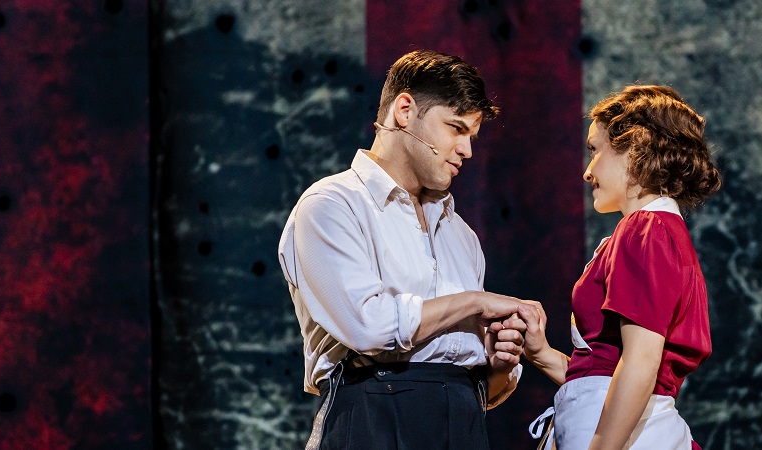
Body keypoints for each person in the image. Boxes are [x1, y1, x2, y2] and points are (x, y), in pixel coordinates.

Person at [277, 50, 536, 450]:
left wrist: (499, 364)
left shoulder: (462, 235)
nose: (466, 150)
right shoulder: (332, 204)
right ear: (404, 110)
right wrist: (473, 302)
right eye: (455, 128)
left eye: (471, 136)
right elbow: (369, 327)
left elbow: (477, 386)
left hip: (463, 422)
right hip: (370, 415)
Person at [517, 85, 722, 450]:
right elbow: (605, 372)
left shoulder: (647, 228)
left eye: (594, 151)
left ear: (636, 146)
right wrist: (541, 354)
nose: (587, 171)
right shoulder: (653, 233)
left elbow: (642, 362)